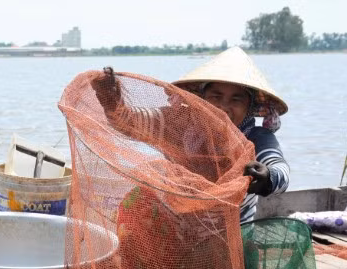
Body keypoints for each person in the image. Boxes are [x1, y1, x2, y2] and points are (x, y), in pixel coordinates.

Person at [92, 46, 290, 223]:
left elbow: (281, 170)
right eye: (215, 97)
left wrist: (266, 177)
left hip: (235, 230)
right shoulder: (181, 124)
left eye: (236, 100)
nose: (223, 108)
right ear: (200, 99)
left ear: (250, 107)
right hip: (179, 224)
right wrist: (112, 102)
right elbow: (129, 122)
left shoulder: (256, 137)